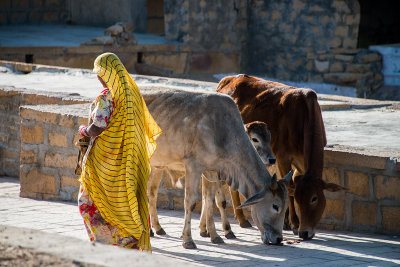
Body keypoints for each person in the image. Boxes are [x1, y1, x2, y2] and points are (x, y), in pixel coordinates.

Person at [77, 52, 162, 251]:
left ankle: (110, 246)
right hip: (128, 161)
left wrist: (83, 130)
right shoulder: (132, 95)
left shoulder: (107, 96)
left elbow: (97, 127)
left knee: (88, 202)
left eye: (98, 72)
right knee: (123, 202)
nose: (97, 76)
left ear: (105, 73)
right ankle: (127, 243)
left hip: (104, 162)